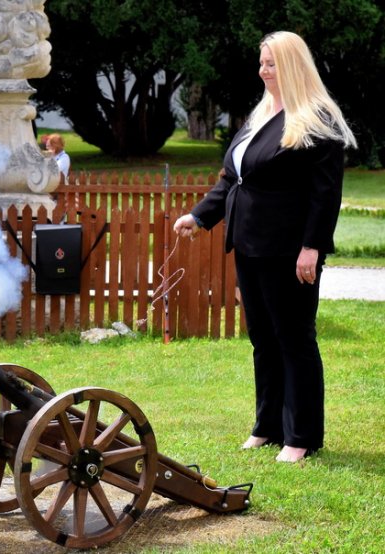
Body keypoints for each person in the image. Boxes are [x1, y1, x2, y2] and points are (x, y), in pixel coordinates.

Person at [173, 31, 356, 463]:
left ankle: (301, 436)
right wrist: (200, 216)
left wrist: (312, 247)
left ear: (292, 66)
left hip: (289, 250)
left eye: (271, 63)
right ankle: (267, 426)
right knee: (263, 340)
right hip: (249, 246)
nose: (263, 70)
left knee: (294, 339)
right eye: (261, 62)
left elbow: (325, 193)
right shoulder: (260, 115)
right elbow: (234, 179)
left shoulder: (317, 118)